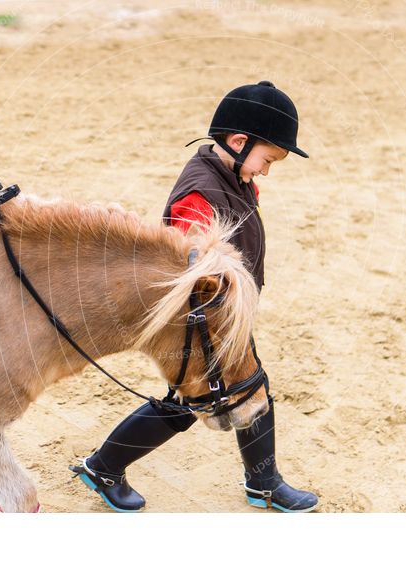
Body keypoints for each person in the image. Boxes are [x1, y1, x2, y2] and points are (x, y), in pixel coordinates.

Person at [70, 81, 319, 513]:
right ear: (239, 142)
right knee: (192, 400)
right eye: (267, 159)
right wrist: (220, 316)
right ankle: (104, 465)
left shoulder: (232, 175)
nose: (265, 170)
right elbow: (195, 272)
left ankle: (263, 481)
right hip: (201, 321)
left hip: (225, 315)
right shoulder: (199, 195)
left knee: (245, 383)